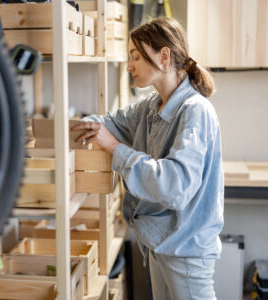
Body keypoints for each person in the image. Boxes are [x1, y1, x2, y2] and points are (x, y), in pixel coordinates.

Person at [72, 17, 223, 300]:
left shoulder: (195, 112)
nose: (129, 66)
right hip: (161, 244)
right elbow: (106, 123)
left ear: (164, 56)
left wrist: (115, 147)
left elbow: (175, 185)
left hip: (186, 253)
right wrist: (75, 128)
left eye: (136, 57)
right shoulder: (150, 108)